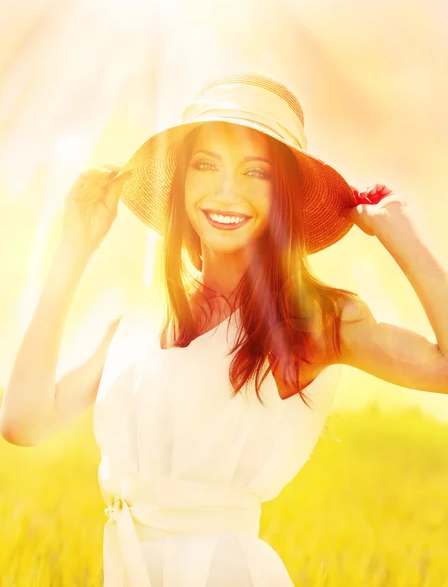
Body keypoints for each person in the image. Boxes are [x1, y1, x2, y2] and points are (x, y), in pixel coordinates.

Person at [2, 72, 448, 586]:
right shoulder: (140, 323)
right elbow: (23, 423)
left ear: (283, 194)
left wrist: (404, 241)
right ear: (181, 183)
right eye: (205, 164)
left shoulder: (311, 323)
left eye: (255, 171)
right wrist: (73, 251)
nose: (225, 190)